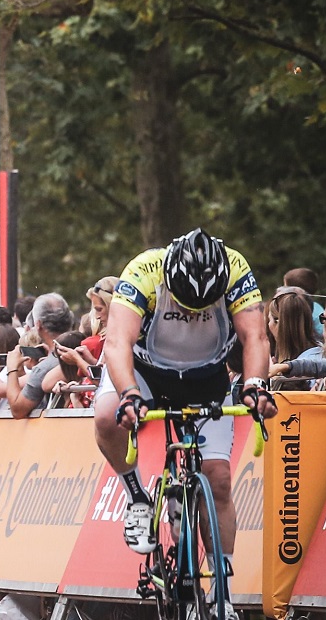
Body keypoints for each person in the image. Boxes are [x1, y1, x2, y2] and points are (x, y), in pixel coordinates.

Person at [95, 229, 276, 620]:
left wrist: (255, 385)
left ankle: (222, 594)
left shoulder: (236, 268)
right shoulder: (144, 270)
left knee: (218, 478)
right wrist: (129, 393)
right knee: (107, 416)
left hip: (205, 375)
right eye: (185, 304)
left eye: (204, 306)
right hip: (144, 370)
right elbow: (117, 342)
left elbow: (255, 336)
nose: (194, 313)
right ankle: (137, 497)